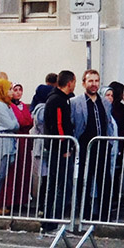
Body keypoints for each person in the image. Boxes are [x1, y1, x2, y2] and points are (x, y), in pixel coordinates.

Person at [72, 69, 119, 219]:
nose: (94, 84)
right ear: (83, 83)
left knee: (104, 181)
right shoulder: (75, 102)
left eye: (96, 81)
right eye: (90, 81)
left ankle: (104, 215)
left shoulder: (105, 102)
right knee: (83, 180)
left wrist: (109, 142)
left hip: (103, 147)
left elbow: (108, 123)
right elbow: (73, 124)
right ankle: (84, 213)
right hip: (84, 147)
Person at [41, 70, 77, 227]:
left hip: (59, 148)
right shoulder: (57, 100)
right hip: (59, 150)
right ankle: (52, 220)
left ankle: (52, 219)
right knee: (59, 185)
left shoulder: (62, 99)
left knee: (58, 184)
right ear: (69, 83)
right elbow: (58, 126)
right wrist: (65, 148)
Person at [1, 82, 36, 212]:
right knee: (12, 171)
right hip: (16, 140)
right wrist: (24, 123)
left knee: (24, 171)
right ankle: (9, 200)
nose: (18, 92)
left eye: (20, 90)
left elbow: (29, 121)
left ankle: (21, 200)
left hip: (25, 141)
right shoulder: (8, 106)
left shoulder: (23, 106)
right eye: (15, 90)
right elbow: (20, 121)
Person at [0, 79, 20, 214]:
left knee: (2, 175)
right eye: (9, 89)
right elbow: (12, 124)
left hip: (8, 141)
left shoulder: (7, 105)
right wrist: (14, 123)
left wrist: (15, 123)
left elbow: (16, 123)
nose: (11, 92)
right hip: (1, 142)